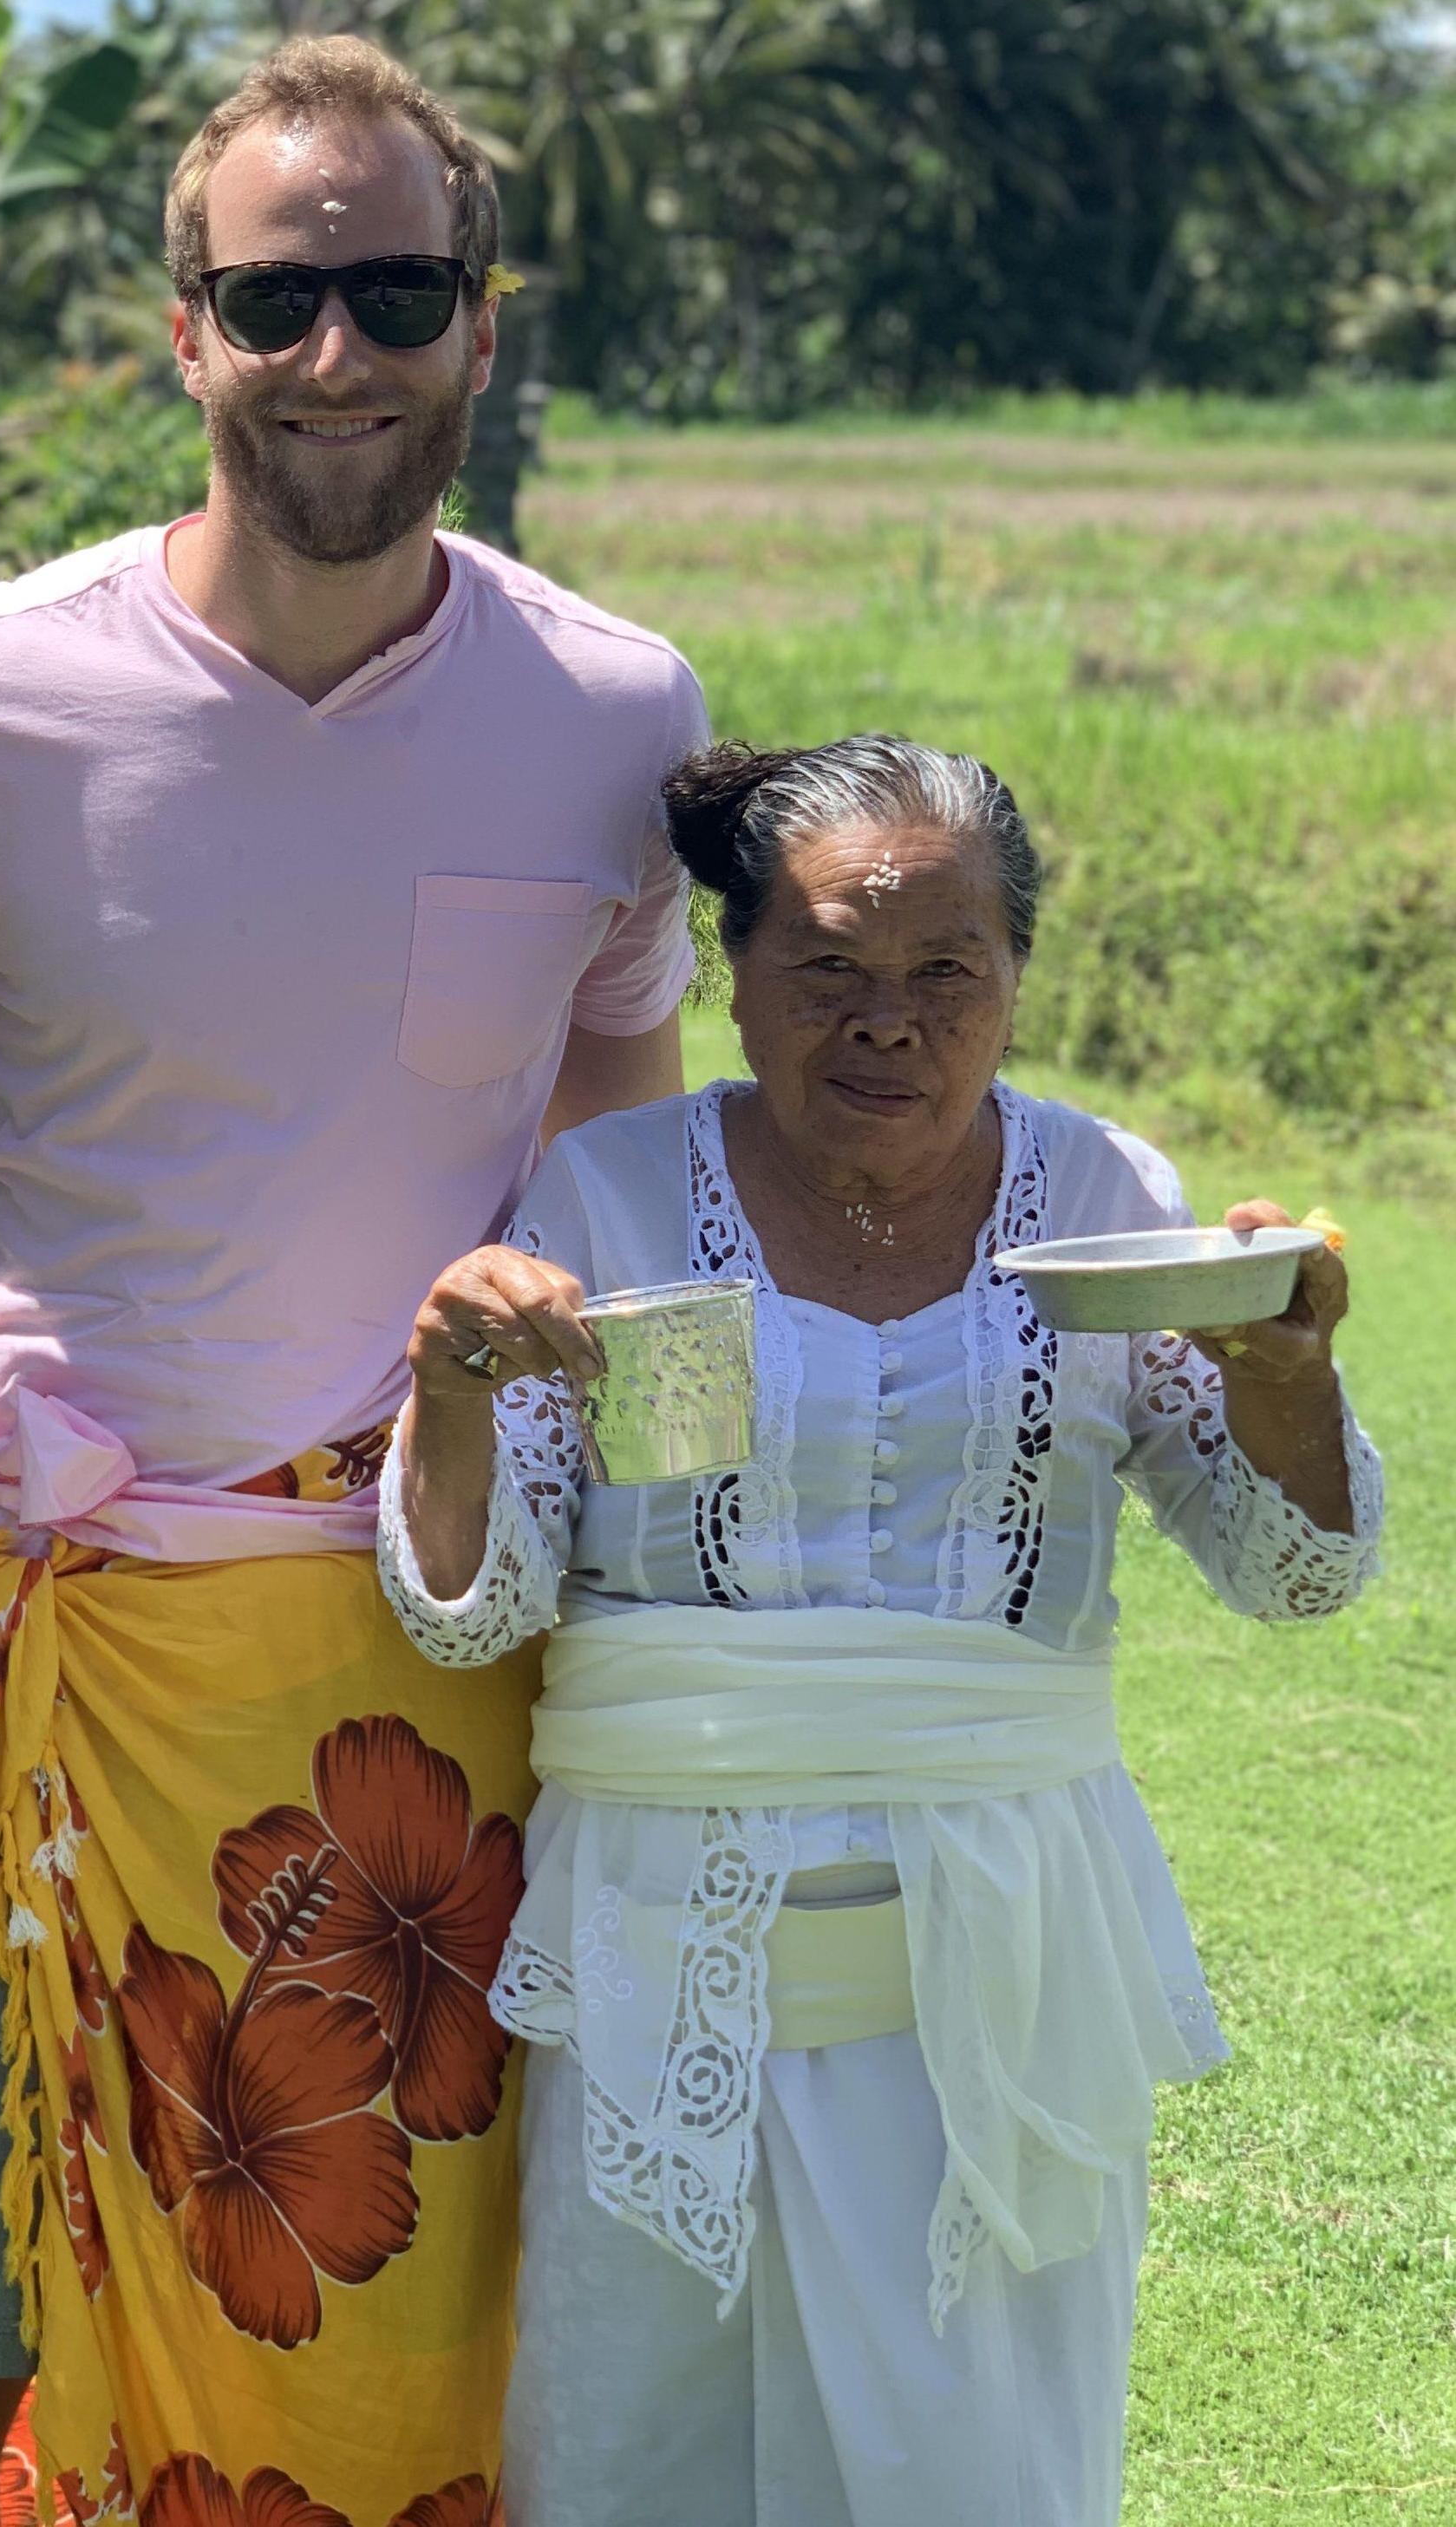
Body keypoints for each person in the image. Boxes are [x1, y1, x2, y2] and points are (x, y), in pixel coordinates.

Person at [0, 38, 708, 2527]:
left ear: (480, 327)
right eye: (277, 296)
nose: (339, 354)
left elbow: (621, 1213)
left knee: (395, 2380)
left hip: (422, 1703)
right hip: (40, 1686)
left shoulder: (613, 720)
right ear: (179, 328)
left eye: (399, 291)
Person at [379, 734, 1385, 2526]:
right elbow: (478, 1613)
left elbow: (1286, 1574)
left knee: (970, 2461)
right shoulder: (605, 1201)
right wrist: (447, 1385)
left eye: (946, 975)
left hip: (998, 1958)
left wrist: (1281, 1379)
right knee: (633, 2453)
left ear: (1013, 981)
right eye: (825, 970)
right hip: (657, 1948)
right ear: (730, 975)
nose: (886, 1023)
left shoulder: (1097, 1202)